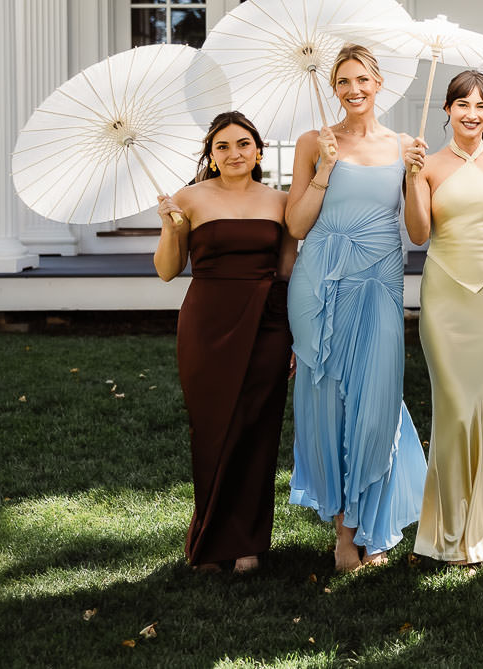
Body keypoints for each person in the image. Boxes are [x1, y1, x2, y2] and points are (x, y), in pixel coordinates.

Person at [285, 44, 428, 573]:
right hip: (320, 283)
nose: (353, 90)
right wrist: (325, 167)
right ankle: (346, 531)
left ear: (378, 83)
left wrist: (414, 177)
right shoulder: (313, 143)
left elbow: (419, 232)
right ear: (334, 88)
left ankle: (373, 523)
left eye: (362, 79)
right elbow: (296, 225)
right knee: (329, 403)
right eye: (343, 81)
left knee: (377, 403)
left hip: (379, 284)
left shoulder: (405, 145)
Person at [154, 110, 296, 574]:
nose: (234, 153)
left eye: (243, 144)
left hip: (268, 323)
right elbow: (167, 270)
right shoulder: (188, 198)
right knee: (211, 429)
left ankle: (248, 543)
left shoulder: (281, 202)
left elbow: (287, 271)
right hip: (207, 324)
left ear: (259, 151)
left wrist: (294, 333)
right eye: (223, 146)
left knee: (258, 429)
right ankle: (212, 541)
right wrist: (170, 227)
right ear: (211, 156)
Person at [404, 70, 483, 568]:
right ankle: (446, 531)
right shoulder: (427, 164)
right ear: (447, 110)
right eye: (463, 104)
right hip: (445, 299)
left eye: (481, 106)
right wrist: (412, 178)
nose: (472, 114)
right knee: (455, 411)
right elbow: (419, 234)